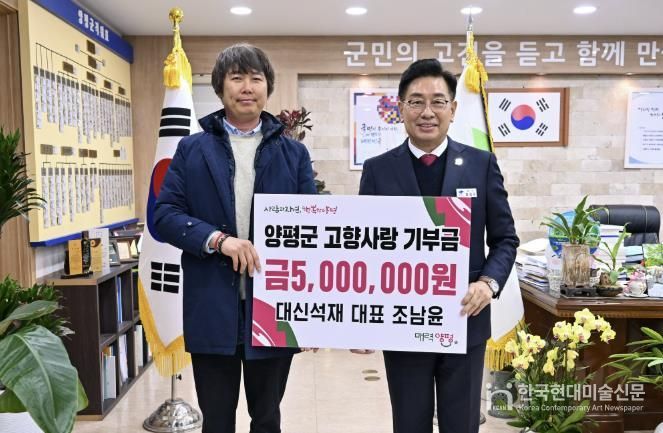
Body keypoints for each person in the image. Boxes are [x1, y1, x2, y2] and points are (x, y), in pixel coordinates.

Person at [154, 43, 316, 433]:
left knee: (267, 418)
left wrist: (312, 312)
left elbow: (311, 231)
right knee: (217, 421)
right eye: (237, 78)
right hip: (211, 306)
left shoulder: (293, 154)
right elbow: (164, 215)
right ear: (220, 87)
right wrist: (217, 240)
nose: (247, 87)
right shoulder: (191, 149)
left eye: (256, 78)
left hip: (275, 309)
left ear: (268, 87)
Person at [358, 58, 519, 433]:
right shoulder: (378, 169)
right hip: (402, 324)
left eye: (438, 101)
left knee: (461, 424)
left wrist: (488, 283)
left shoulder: (481, 164)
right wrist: (362, 323)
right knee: (409, 423)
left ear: (453, 109)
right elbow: (365, 251)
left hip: (465, 318)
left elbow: (505, 239)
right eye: (416, 102)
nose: (427, 112)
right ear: (401, 108)